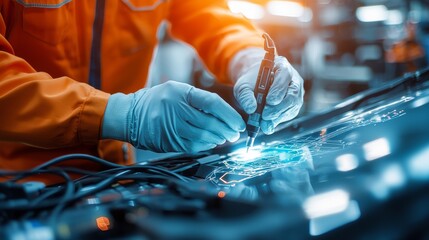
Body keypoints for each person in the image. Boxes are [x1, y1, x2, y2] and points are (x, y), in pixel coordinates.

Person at [0, 0, 304, 183]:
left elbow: (206, 12)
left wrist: (247, 55)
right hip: (18, 180)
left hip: (116, 175)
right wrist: (121, 114)